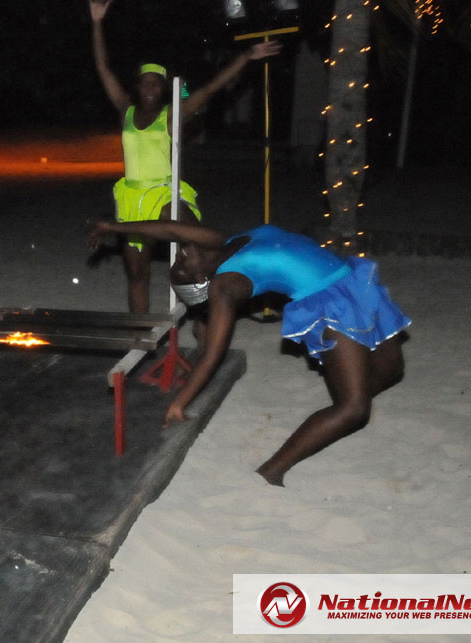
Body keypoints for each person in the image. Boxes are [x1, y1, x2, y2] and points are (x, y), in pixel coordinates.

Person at [89, 220, 411, 486]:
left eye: (178, 259)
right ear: (202, 279)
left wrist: (113, 227)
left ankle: (339, 407)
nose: (181, 254)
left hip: (350, 281)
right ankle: (271, 471)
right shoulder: (225, 286)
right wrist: (179, 402)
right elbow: (214, 354)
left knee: (391, 369)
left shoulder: (221, 241)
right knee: (353, 409)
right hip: (329, 303)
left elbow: (171, 231)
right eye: (182, 264)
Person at [89, 0, 281, 314]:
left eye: (156, 83)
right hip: (132, 196)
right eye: (145, 82)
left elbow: (210, 90)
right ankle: (141, 336)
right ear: (137, 87)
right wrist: (97, 21)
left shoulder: (173, 113)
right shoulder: (126, 108)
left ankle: (224, 296)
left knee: (200, 244)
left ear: (163, 88)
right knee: (137, 274)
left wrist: (247, 56)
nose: (150, 87)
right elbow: (102, 68)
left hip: (164, 191)